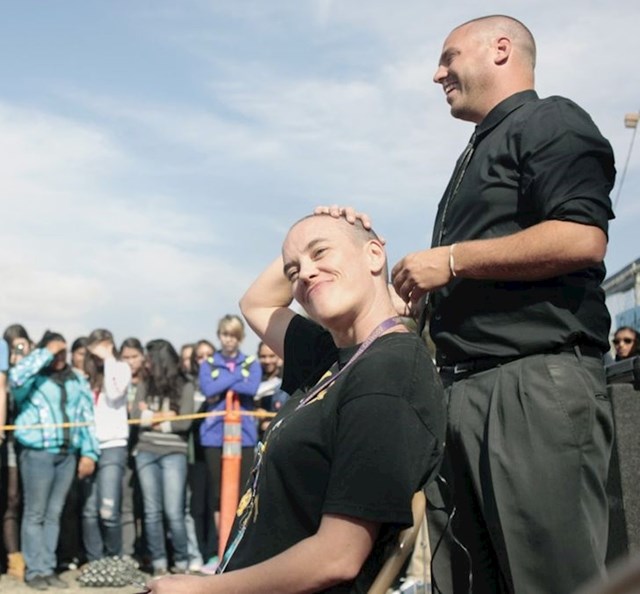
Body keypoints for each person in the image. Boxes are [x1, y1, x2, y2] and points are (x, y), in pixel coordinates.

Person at [384, 14, 615, 594]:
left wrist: (453, 260)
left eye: (448, 57)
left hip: (529, 390)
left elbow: (581, 236)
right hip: (465, 395)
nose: (438, 73)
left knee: (551, 579)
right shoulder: (478, 147)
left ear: (501, 49)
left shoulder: (550, 119)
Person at [145, 212, 446, 593]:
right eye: (293, 271)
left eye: (322, 253)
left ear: (374, 256)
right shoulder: (332, 354)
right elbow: (255, 303)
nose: (304, 274)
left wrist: (203, 590)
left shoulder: (390, 369)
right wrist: (314, 227)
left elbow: (338, 556)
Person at [9, 330, 100, 590]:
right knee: (35, 513)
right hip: (37, 453)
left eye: (62, 351)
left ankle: (47, 568)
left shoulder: (76, 380)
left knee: (53, 514)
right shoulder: (31, 379)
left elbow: (86, 418)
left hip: (67, 455)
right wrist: (45, 351)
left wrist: (89, 453)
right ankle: (34, 569)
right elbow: (14, 378)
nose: (59, 356)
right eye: (54, 351)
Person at [197, 315, 261, 566]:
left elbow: (252, 388)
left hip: (243, 435)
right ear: (219, 335)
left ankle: (240, 548)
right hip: (214, 435)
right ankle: (217, 548)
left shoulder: (250, 362)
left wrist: (224, 382)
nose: (229, 340)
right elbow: (208, 389)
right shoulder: (209, 362)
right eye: (225, 335)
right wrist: (235, 380)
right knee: (217, 493)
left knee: (243, 493)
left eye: (234, 335)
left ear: (240, 337)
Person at [131, 339, 195, 576]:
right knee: (151, 511)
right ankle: (158, 563)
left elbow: (185, 422)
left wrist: (151, 417)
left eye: (149, 358)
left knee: (174, 511)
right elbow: (136, 416)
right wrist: (166, 417)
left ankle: (181, 562)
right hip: (146, 451)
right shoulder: (145, 383)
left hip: (173, 454)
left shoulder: (186, 385)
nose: (145, 363)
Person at [80, 329, 132, 561]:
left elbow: (113, 393)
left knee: (108, 510)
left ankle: (114, 559)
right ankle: (95, 561)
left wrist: (109, 358)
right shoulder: (83, 376)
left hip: (113, 445)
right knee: (90, 511)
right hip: (88, 447)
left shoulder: (121, 368)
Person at [2, 323, 33, 581]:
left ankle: (36, 556)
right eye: (13, 348)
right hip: (10, 443)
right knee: (11, 499)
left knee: (32, 503)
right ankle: (14, 558)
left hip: (34, 444)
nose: (18, 352)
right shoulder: (6, 374)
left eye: (22, 346)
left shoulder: (34, 371)